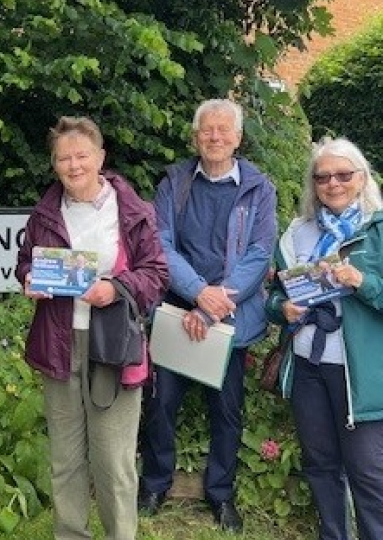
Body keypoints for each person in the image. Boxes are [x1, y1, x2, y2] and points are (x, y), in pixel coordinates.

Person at [15, 116, 168, 540]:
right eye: (63, 158)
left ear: (100, 157)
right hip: (58, 340)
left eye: (82, 155)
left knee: (113, 461)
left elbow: (156, 274)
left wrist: (115, 289)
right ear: (54, 164)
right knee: (65, 457)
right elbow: (26, 263)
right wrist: (30, 278)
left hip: (114, 344)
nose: (73, 165)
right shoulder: (45, 213)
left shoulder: (132, 211)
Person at [138, 99, 277, 532]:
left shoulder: (259, 188)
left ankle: (221, 495)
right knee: (160, 404)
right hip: (181, 312)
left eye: (224, 130)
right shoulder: (175, 182)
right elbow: (161, 243)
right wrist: (198, 294)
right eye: (207, 130)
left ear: (238, 138)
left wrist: (215, 303)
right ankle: (156, 484)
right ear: (195, 136)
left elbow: (259, 253)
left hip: (228, 316)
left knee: (228, 410)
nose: (215, 137)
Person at [266, 137, 383, 540]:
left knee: (368, 474)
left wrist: (363, 281)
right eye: (323, 177)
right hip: (308, 365)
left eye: (343, 175)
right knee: (319, 463)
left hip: (361, 374)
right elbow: (275, 297)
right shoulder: (297, 233)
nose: (333, 183)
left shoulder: (378, 230)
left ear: (361, 177)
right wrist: (281, 309)